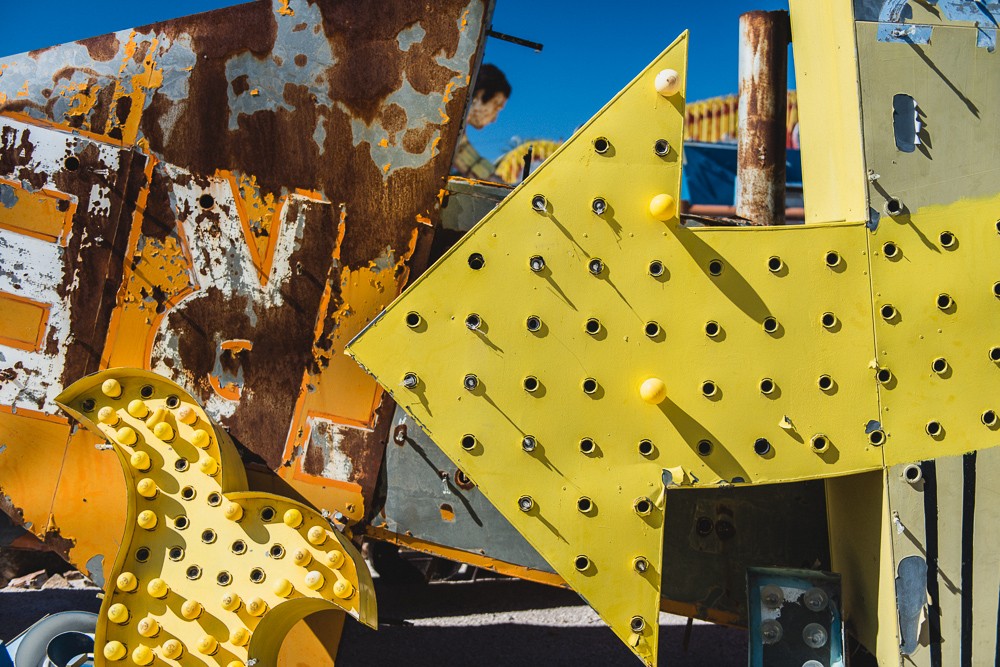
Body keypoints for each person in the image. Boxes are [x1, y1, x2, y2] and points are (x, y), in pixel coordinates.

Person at [452, 64, 511, 180]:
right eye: (496, 106)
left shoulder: (458, 135)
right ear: (480, 95)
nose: (494, 119)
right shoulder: (452, 133)